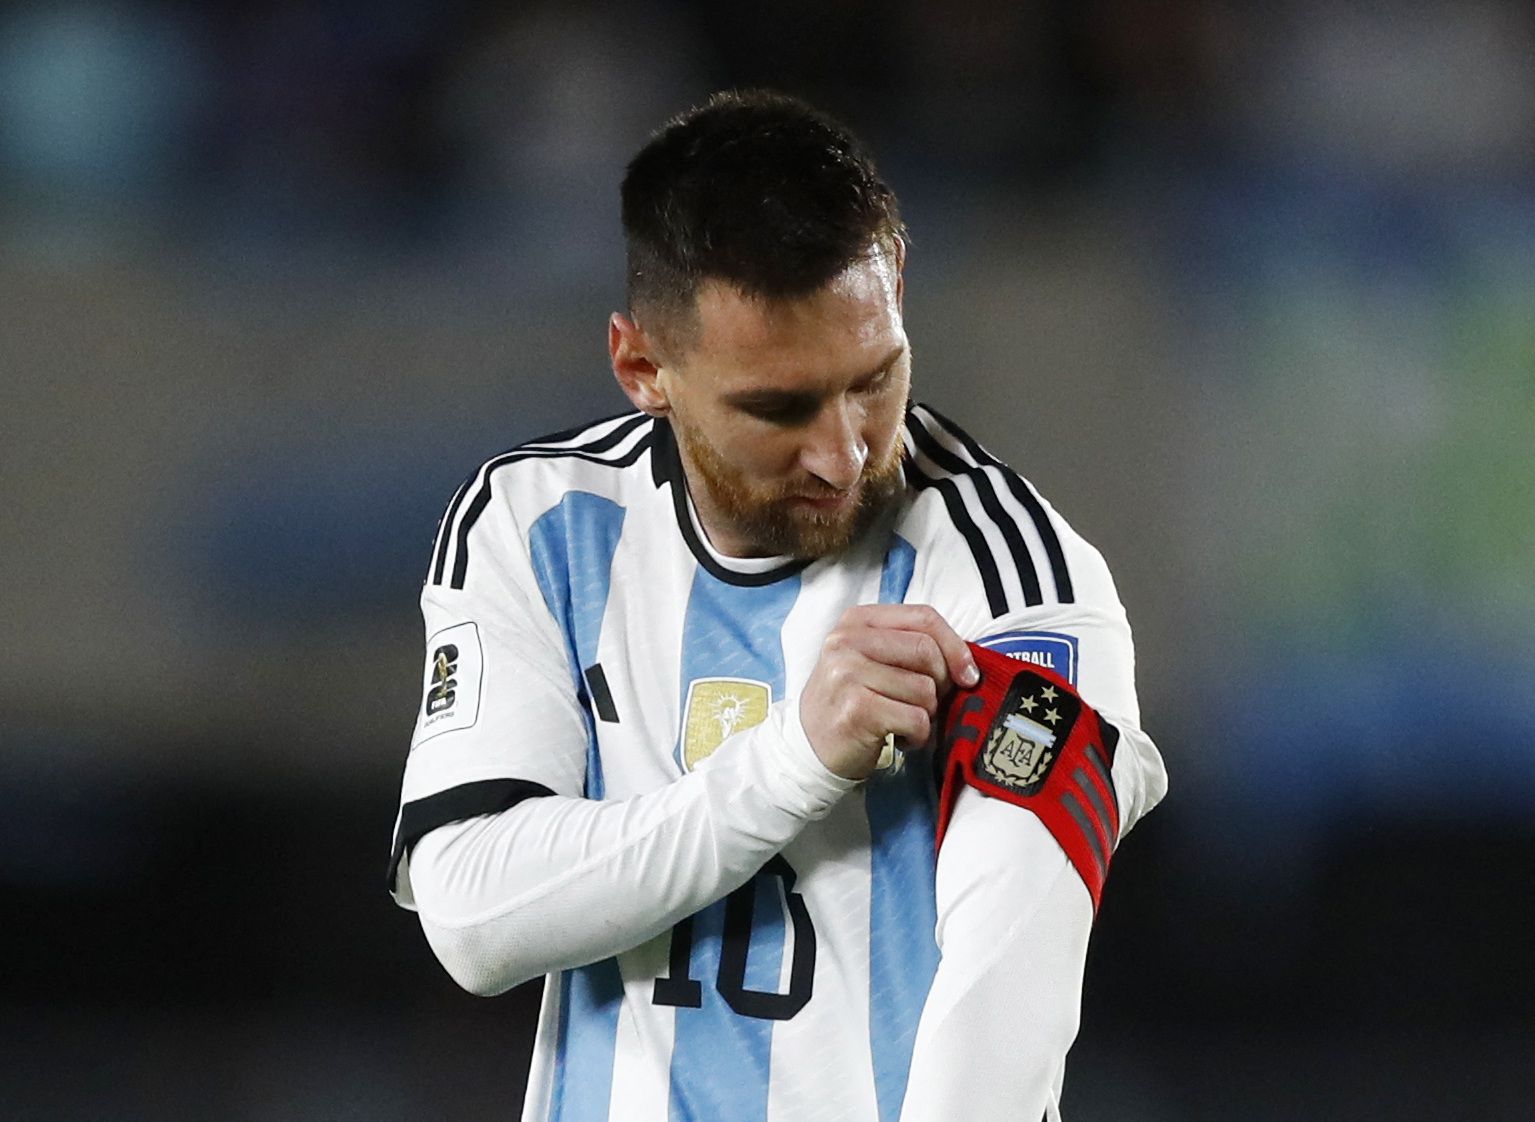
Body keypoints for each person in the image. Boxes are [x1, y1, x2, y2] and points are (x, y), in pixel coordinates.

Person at [388, 89, 1167, 1122]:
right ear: (640, 367)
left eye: (873, 380)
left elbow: (1006, 994)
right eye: (779, 407)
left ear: (895, 287)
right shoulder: (538, 526)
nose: (842, 452)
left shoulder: (1008, 576)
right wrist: (791, 763)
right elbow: (474, 914)